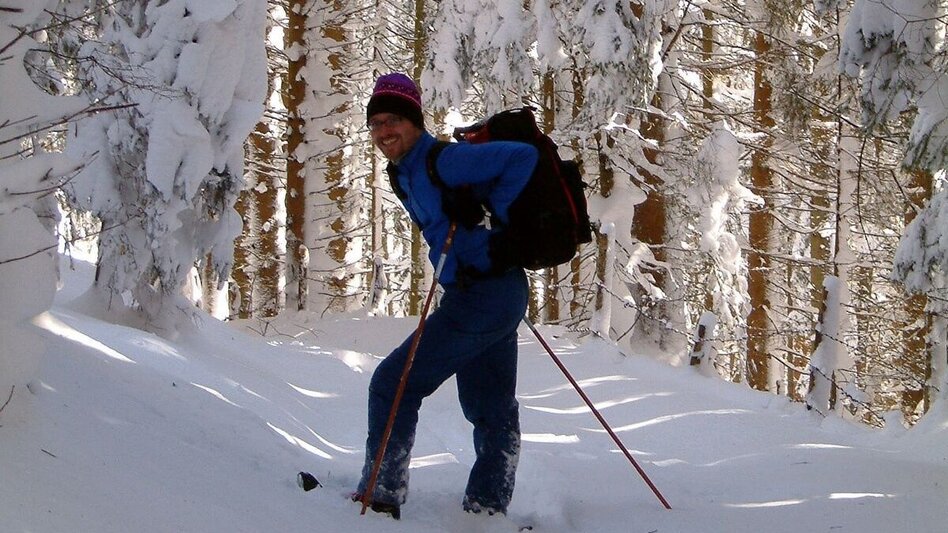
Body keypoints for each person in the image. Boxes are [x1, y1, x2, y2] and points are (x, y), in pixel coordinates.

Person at [354, 72, 538, 519]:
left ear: (415, 121)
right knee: (488, 405)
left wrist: (499, 227)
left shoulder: (443, 160)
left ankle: (380, 495)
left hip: (485, 294)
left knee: (393, 384)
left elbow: (522, 157)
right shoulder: (404, 171)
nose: (384, 131)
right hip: (488, 292)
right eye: (375, 123)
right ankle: (487, 506)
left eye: (393, 120)